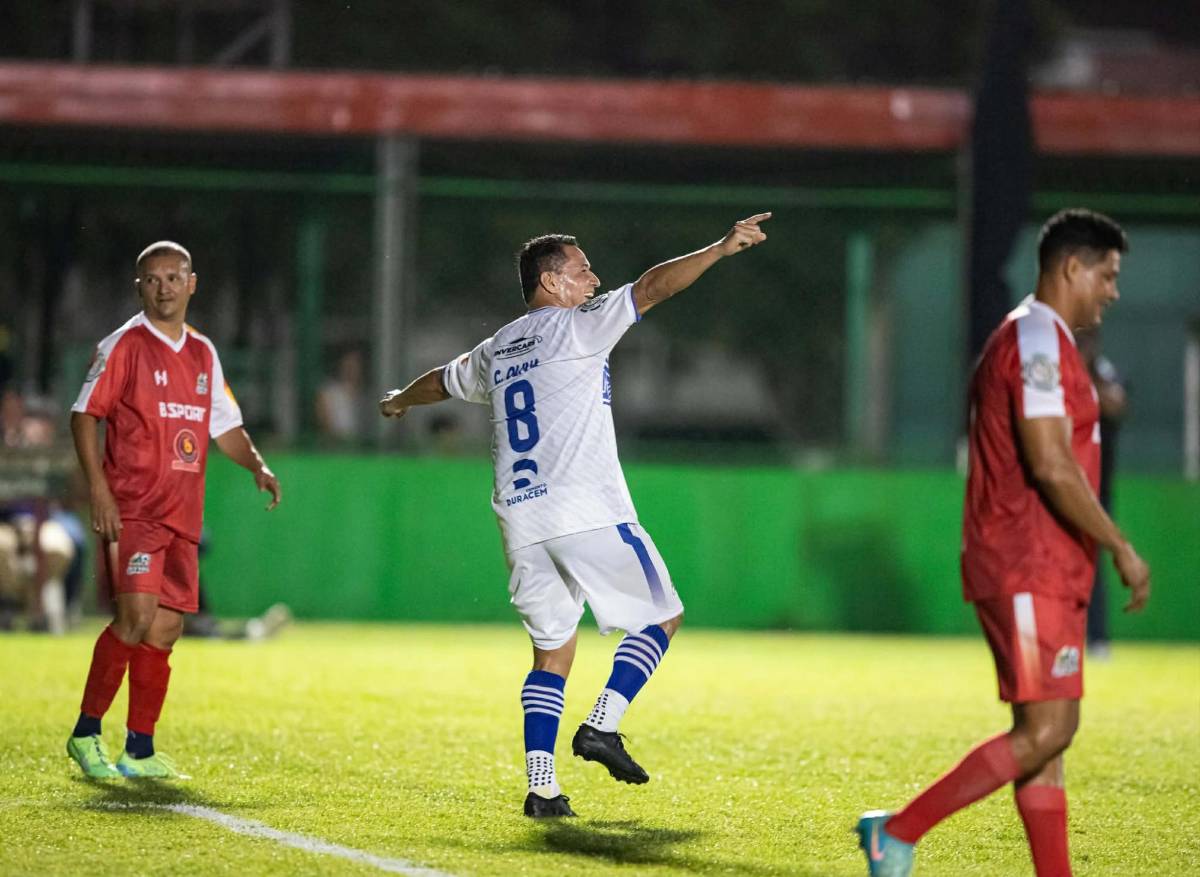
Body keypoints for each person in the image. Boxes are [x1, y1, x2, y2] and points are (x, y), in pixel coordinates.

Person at [380, 213, 771, 817]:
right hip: (584, 506)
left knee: (552, 653)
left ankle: (542, 789)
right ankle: (602, 725)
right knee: (663, 617)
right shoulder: (578, 327)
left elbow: (441, 382)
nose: (594, 279)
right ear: (551, 281)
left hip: (519, 518)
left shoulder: (499, 347)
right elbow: (652, 288)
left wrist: (399, 399)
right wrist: (721, 249)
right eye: (583, 270)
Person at [856, 208, 1151, 877]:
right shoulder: (1038, 339)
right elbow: (1049, 461)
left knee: (1049, 741)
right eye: (1107, 275)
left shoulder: (1043, 339)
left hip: (1047, 563)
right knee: (1047, 730)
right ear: (1071, 267)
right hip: (1027, 559)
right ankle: (896, 832)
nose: (1112, 290)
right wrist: (1119, 544)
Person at [66, 240, 282, 779]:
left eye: (173, 277)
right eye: (152, 278)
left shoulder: (203, 352)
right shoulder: (124, 345)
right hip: (134, 509)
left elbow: (224, 425)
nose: (163, 287)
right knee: (134, 619)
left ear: (192, 283)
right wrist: (99, 489)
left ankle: (138, 748)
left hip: (182, 514)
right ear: (139, 286)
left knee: (163, 631)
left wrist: (256, 466)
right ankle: (86, 732)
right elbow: (83, 414)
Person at [1076, 330, 1128, 659]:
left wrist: (1089, 380)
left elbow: (1116, 404)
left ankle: (1096, 639)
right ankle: (1059, 639)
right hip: (1063, 485)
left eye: (1091, 340)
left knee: (1092, 566)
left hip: (1097, 490)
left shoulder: (1104, 372)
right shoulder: (1059, 372)